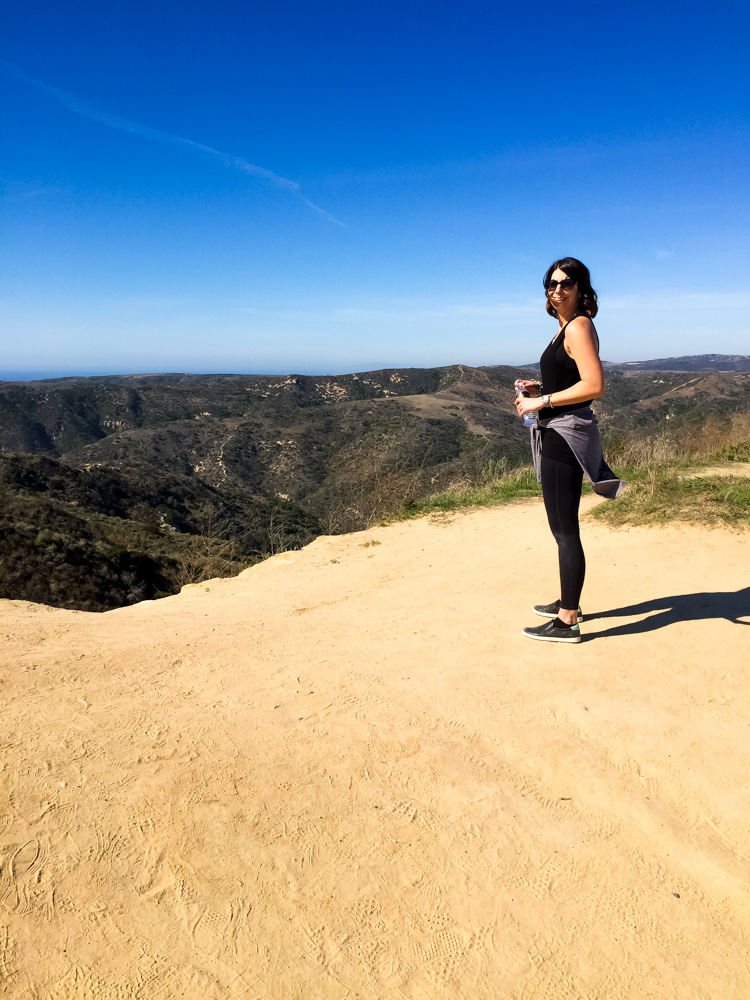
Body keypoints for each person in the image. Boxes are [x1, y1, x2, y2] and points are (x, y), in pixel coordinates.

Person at [514, 257, 625, 643]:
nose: (556, 289)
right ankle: (568, 600)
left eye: (566, 283)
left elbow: (595, 385)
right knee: (561, 526)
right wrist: (536, 389)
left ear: (580, 289)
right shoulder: (564, 328)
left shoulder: (577, 326)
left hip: (564, 433)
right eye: (551, 283)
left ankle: (567, 621)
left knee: (564, 529)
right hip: (559, 429)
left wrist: (541, 401)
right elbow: (571, 380)